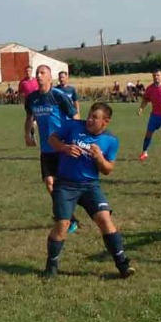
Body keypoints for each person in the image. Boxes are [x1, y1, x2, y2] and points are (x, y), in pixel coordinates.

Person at [44, 102, 134, 279]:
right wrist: (65, 148)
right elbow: (51, 139)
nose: (89, 120)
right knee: (63, 224)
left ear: (105, 122)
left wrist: (99, 157)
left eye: (95, 117)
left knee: (104, 219)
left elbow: (108, 169)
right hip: (66, 185)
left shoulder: (110, 141)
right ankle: (51, 265)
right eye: (90, 115)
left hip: (90, 186)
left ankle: (122, 264)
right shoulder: (72, 126)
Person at [25, 65, 82, 232]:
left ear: (50, 78)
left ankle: (76, 212)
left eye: (42, 73)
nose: (39, 76)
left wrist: (77, 138)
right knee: (49, 183)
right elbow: (29, 118)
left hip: (63, 147)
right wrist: (28, 135)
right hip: (46, 149)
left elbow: (75, 116)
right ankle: (69, 217)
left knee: (66, 186)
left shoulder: (59, 96)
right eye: (37, 73)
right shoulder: (32, 98)